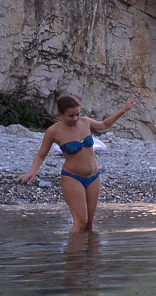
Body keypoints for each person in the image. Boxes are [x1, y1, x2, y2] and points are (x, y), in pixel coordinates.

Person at [18, 93, 137, 233]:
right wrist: (32, 171)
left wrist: (124, 110)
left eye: (77, 114)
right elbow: (41, 155)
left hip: (94, 177)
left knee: (90, 224)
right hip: (72, 177)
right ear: (60, 115)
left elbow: (104, 124)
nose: (75, 119)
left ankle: (89, 254)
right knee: (81, 222)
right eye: (70, 116)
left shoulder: (85, 122)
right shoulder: (53, 131)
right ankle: (72, 254)